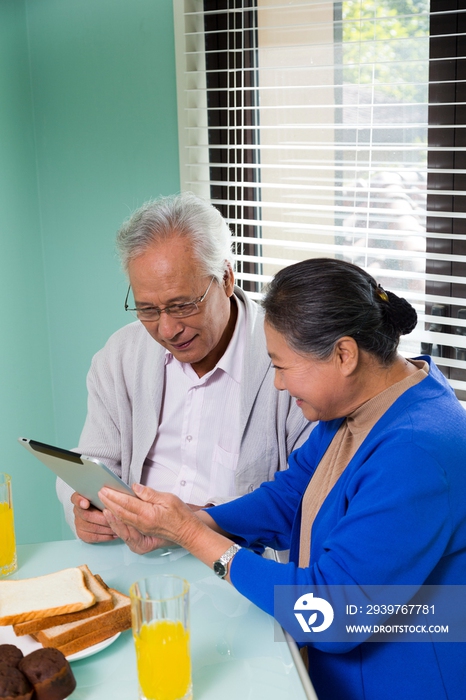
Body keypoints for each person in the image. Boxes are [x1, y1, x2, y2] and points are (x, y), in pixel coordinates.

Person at [98, 258, 466, 700]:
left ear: (344, 355)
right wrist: (199, 521)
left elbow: (330, 615)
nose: (276, 384)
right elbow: (294, 492)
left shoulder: (415, 452)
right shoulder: (370, 401)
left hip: (397, 681)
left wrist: (194, 538)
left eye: (281, 366)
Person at [56, 193, 312, 543]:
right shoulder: (121, 354)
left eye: (181, 305)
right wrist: (84, 511)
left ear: (225, 278)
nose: (167, 330)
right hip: (135, 555)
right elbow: (92, 462)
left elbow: (307, 497)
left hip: (239, 559)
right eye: (147, 309)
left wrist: (194, 524)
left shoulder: (291, 359)